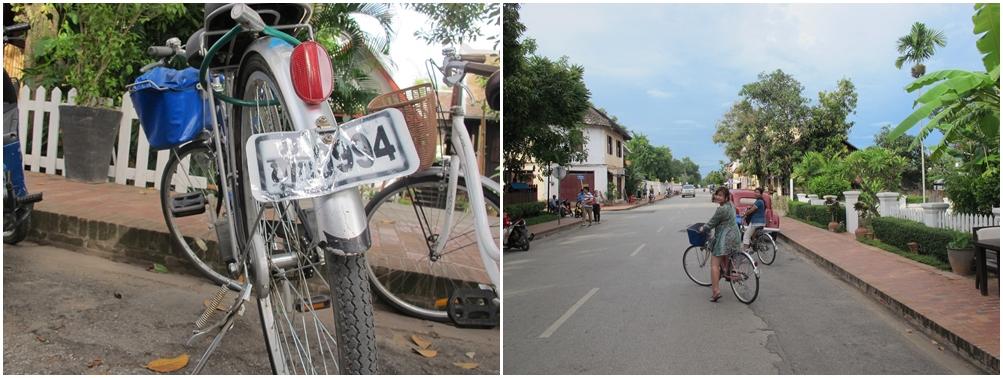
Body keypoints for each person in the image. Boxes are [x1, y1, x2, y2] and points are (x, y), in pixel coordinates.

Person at [701, 187, 741, 302]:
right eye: (717, 195)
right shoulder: (731, 205)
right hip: (735, 236)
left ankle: (716, 291)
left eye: (721, 195)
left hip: (724, 238)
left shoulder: (721, 210)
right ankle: (730, 271)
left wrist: (703, 228)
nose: (718, 197)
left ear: (726, 197)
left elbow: (711, 223)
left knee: (714, 264)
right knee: (728, 256)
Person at [742, 188, 767, 252]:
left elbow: (751, 210)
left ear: (761, 194)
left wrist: (744, 215)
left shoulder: (759, 201)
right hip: (762, 222)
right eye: (755, 192)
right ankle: (754, 245)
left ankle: (745, 253)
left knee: (746, 236)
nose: (756, 193)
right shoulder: (762, 201)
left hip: (756, 222)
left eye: (757, 192)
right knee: (753, 235)